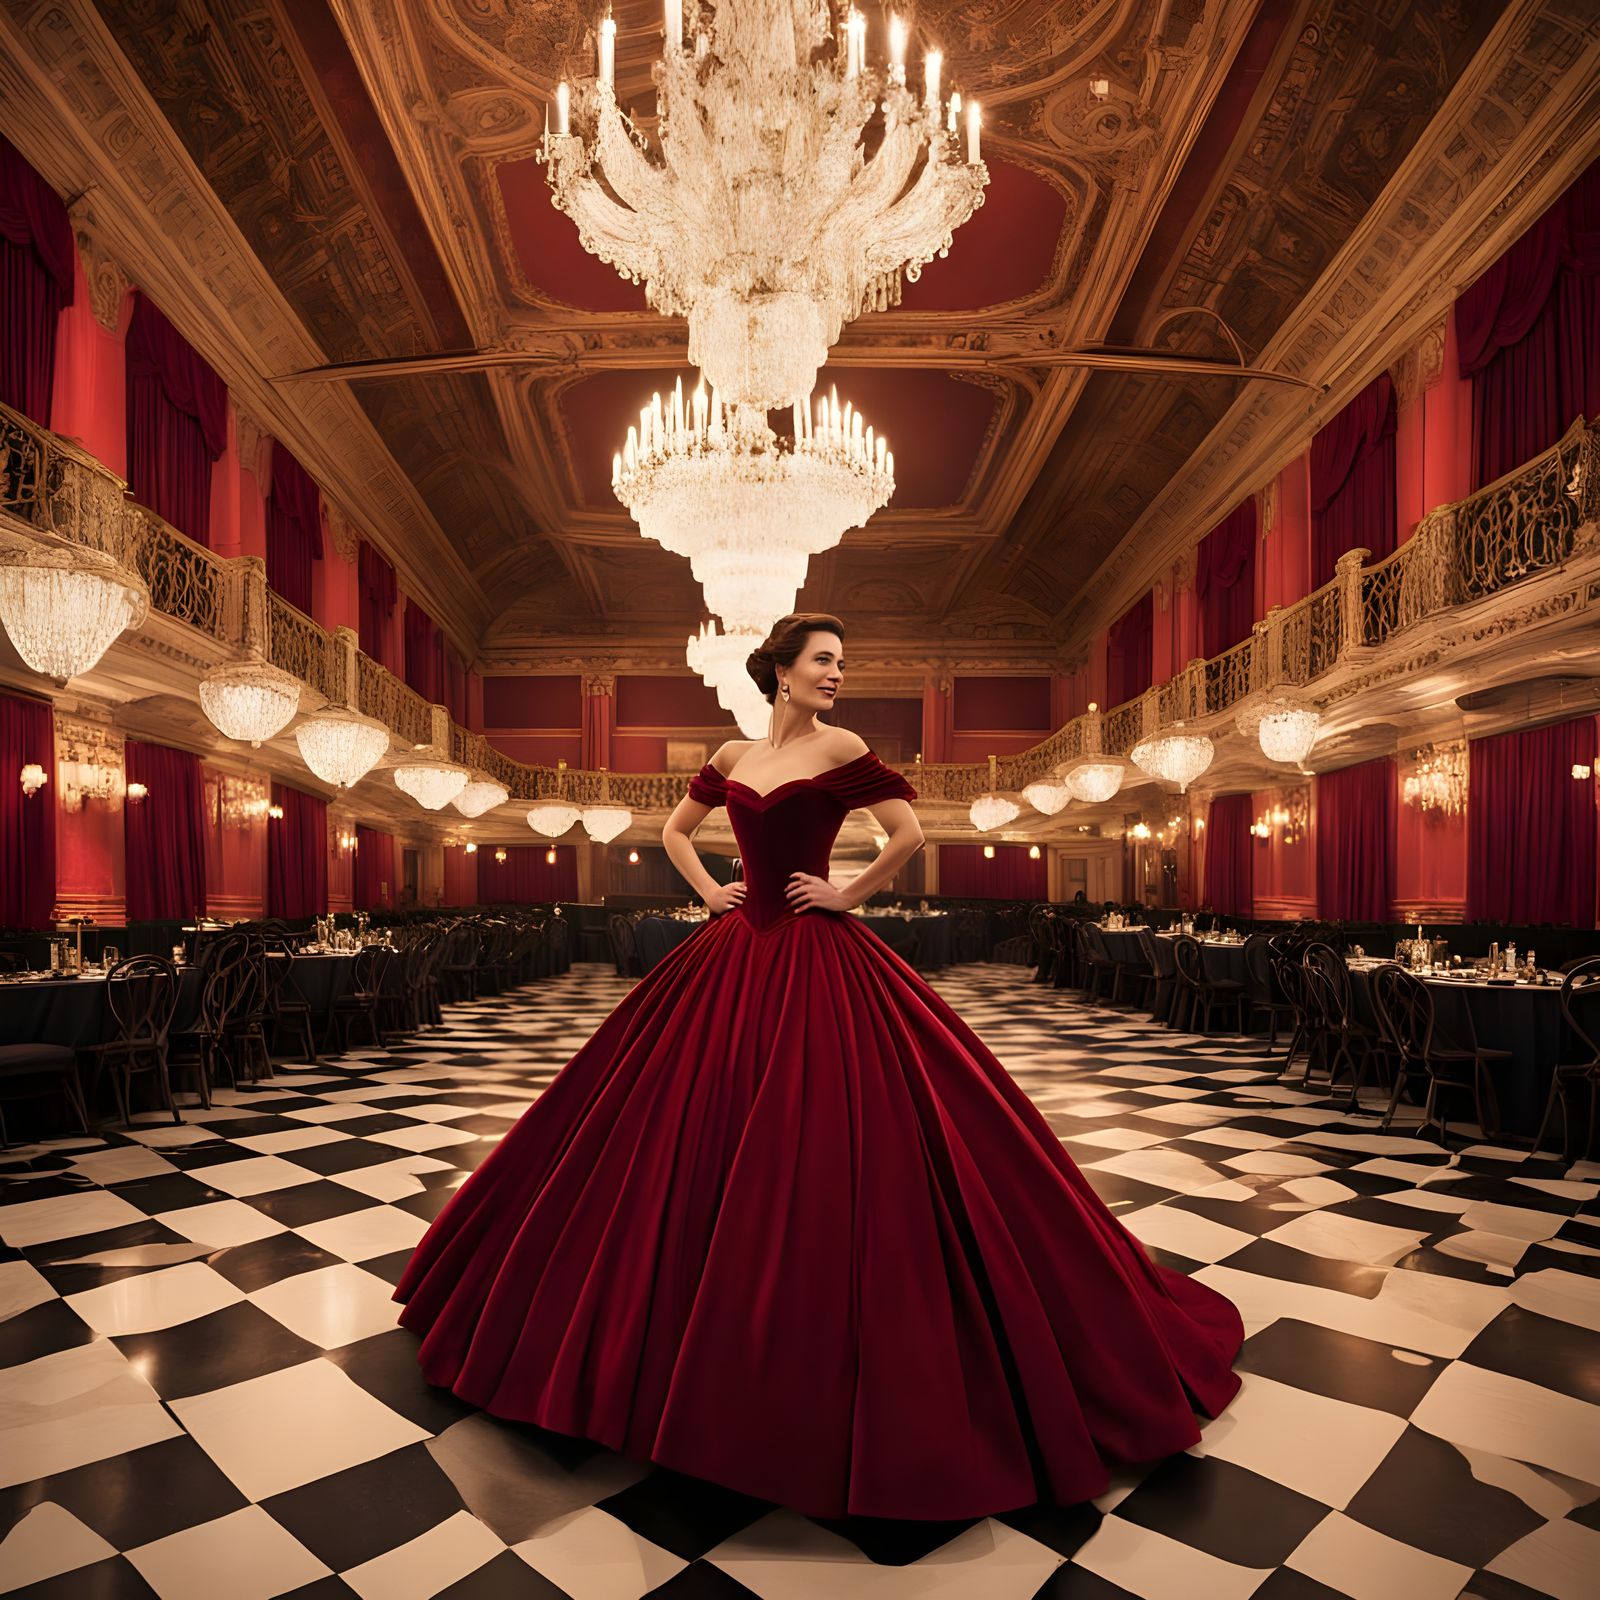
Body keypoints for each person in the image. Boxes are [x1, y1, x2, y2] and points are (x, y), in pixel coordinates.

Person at [395, 612, 1242, 1522]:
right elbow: (677, 833)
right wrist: (710, 890)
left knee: (842, 1136)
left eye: (842, 661)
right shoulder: (729, 752)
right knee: (665, 1129)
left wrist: (845, 894)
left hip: (814, 951)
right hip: (733, 948)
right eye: (825, 661)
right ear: (783, 673)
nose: (839, 673)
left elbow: (908, 836)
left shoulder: (844, 743)